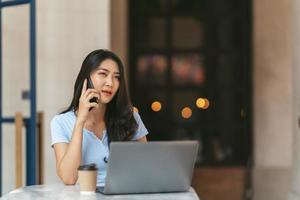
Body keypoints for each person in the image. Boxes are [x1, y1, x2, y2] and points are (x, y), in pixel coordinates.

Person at [50, 49, 148, 186]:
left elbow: (147, 169)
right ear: (86, 78)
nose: (110, 83)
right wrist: (80, 122)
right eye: (103, 74)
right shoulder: (60, 122)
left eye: (116, 77)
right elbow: (69, 178)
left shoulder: (131, 118)